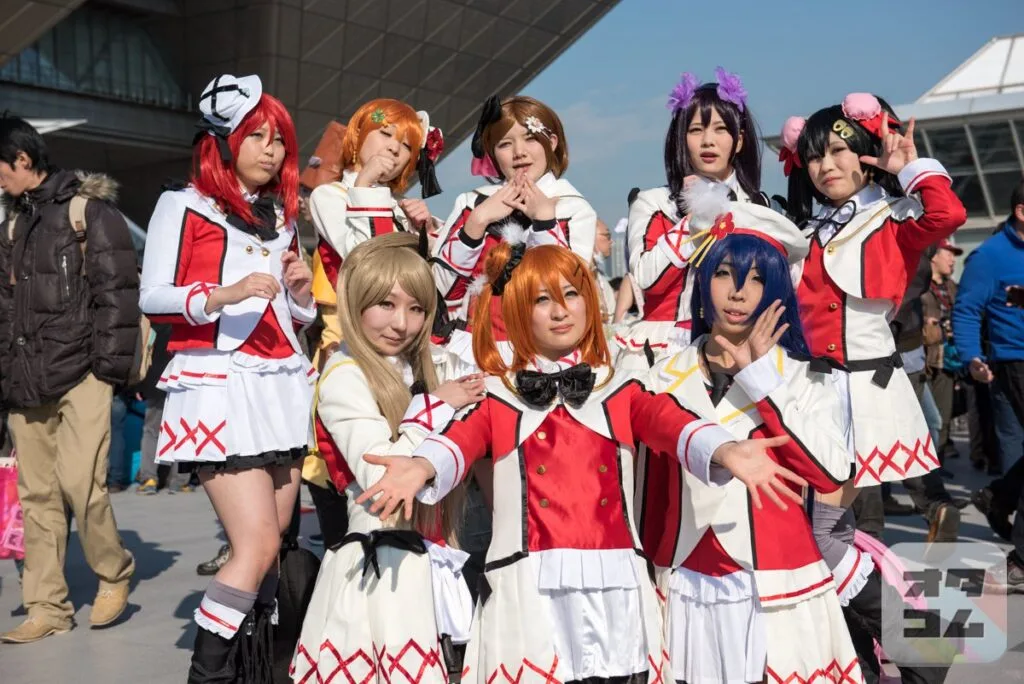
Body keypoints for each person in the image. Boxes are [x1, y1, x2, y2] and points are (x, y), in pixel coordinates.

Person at [355, 241, 805, 684]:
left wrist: (725, 449)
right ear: (518, 311)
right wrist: (421, 466)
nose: (560, 311)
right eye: (542, 300)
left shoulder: (620, 387)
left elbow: (672, 422)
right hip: (530, 583)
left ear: (589, 302)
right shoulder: (499, 394)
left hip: (615, 584)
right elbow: (459, 439)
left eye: (571, 294)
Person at [138, 74, 317, 681]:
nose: (272, 149)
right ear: (224, 140)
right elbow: (152, 296)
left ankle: (255, 670)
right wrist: (222, 293)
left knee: (277, 540)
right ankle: (209, 675)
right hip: (219, 384)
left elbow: (292, 316)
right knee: (256, 545)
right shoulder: (182, 204)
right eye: (257, 136)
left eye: (279, 140)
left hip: (280, 383)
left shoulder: (282, 215)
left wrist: (300, 296)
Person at [642, 189, 861, 684]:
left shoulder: (808, 376)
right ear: (703, 284)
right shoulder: (656, 375)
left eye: (757, 279)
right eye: (724, 274)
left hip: (777, 584)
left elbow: (829, 474)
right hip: (682, 582)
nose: (738, 292)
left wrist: (762, 379)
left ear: (778, 290)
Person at [292, 233, 484, 683]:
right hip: (380, 563)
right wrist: (436, 407)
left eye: (416, 308)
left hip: (428, 556)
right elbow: (383, 477)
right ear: (356, 303)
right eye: (386, 304)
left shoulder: (421, 365)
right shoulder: (344, 374)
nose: (402, 323)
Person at [0, 115, 139, 644]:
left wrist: (108, 370)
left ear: (22, 160)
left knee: (82, 483)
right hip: (26, 380)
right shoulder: (10, 227)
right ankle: (47, 606)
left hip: (82, 372)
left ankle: (114, 570)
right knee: (36, 497)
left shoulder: (89, 212)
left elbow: (117, 295)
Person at [431, 94, 597, 375]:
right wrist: (477, 223)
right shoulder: (471, 204)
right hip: (472, 355)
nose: (519, 152)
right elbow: (440, 290)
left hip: (547, 359)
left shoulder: (572, 207)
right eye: (505, 144)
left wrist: (544, 222)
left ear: (551, 143)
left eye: (530, 139)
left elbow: (570, 295)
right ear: (492, 153)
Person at [617, 68, 770, 371]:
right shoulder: (653, 202)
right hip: (662, 352)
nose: (708, 141)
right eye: (696, 130)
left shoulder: (758, 207)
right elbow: (646, 280)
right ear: (681, 138)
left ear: (739, 141)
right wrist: (697, 218)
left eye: (721, 129)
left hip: (740, 351)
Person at [307, 99, 444, 364]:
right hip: (356, 344)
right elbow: (370, 261)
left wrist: (426, 231)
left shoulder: (401, 207)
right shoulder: (329, 196)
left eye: (407, 146)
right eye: (385, 133)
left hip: (409, 342)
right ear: (358, 134)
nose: (394, 148)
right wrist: (364, 184)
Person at [952, 179, 1024, 593]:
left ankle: (1001, 497)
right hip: (1014, 363)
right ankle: (1020, 560)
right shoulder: (991, 257)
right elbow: (966, 310)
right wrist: (972, 357)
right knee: (1013, 444)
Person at [923, 238, 964, 461]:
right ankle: (927, 467)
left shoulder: (953, 287)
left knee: (943, 414)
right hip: (923, 360)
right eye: (948, 253)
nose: (952, 259)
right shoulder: (918, 285)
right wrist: (925, 324)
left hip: (947, 359)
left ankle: (939, 463)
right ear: (934, 257)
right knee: (927, 418)